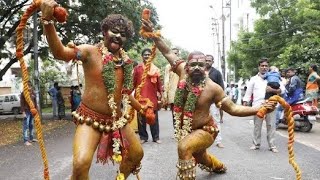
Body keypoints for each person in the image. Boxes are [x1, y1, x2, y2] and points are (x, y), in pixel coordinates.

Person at [141, 19, 277, 179]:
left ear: (206, 67)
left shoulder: (213, 88)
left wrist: (259, 108)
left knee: (184, 147)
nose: (197, 67)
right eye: (193, 64)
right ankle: (219, 167)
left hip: (206, 130)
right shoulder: (182, 71)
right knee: (201, 157)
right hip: (187, 130)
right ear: (187, 66)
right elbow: (168, 52)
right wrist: (154, 35)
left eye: (201, 64)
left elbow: (233, 109)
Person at [40, 1, 149, 178]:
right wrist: (47, 21)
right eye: (114, 31)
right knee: (81, 163)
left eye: (123, 34)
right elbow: (60, 53)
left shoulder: (126, 62)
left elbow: (125, 94)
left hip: (116, 119)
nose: (118, 36)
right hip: (90, 118)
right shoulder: (89, 52)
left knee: (137, 154)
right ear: (104, 31)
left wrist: (142, 109)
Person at [243, 58, 284, 153]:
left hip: (271, 104)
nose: (264, 67)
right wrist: (245, 104)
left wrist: (273, 91)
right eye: (262, 66)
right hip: (258, 105)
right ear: (259, 67)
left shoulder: (274, 77)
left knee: (271, 125)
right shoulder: (254, 79)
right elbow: (248, 93)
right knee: (257, 125)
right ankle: (256, 144)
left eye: (266, 66)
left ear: (268, 67)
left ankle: (272, 145)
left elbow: (282, 90)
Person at [133, 48, 163, 144]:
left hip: (152, 97)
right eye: (145, 54)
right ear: (142, 56)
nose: (147, 56)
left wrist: (161, 94)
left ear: (152, 56)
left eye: (149, 54)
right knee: (141, 118)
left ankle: (156, 137)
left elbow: (159, 84)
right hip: (140, 97)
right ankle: (143, 137)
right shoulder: (137, 69)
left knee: (153, 118)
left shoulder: (155, 69)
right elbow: (133, 82)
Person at [205, 54, 225, 148]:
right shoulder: (200, 72)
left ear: (212, 62)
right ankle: (203, 141)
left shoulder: (216, 73)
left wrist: (219, 100)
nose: (207, 62)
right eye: (206, 60)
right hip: (202, 103)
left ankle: (218, 141)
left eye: (209, 60)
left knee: (216, 121)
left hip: (213, 102)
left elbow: (221, 87)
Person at [163, 47, 180, 126]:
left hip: (182, 93)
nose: (174, 55)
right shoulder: (168, 67)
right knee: (174, 115)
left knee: (183, 114)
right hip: (172, 94)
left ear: (178, 54)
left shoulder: (183, 65)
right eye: (172, 53)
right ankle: (177, 133)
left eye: (176, 53)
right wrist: (165, 95)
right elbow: (166, 81)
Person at [20, 81, 37, 146]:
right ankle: (26, 140)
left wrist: (36, 112)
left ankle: (31, 138)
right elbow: (21, 103)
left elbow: (35, 103)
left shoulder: (33, 93)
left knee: (31, 125)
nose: (29, 87)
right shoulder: (23, 93)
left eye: (30, 86)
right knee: (26, 126)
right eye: (27, 86)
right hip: (26, 111)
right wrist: (23, 112)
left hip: (32, 111)